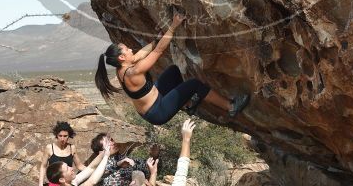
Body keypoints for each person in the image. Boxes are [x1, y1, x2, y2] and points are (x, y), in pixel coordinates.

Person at [94, 13, 250, 126]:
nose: (130, 50)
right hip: (157, 112)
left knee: (174, 71)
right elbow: (159, 52)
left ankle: (188, 104)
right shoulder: (133, 72)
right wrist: (173, 28)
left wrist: (156, 40)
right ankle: (231, 106)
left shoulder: (121, 68)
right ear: (121, 57)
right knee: (194, 84)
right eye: (126, 49)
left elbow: (140, 54)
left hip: (154, 100)